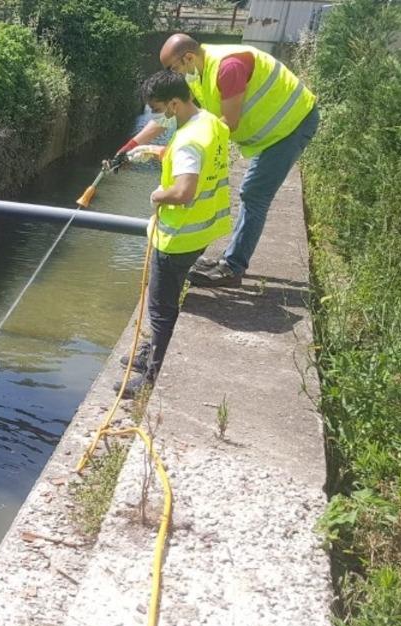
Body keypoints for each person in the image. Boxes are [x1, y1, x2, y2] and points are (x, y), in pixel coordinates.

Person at [110, 34, 319, 287]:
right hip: (271, 131)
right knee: (248, 193)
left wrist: (179, 151)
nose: (173, 74)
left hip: (291, 126)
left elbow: (227, 124)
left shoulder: (227, 68)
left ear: (187, 57)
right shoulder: (197, 73)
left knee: (254, 195)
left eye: (173, 68)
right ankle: (225, 261)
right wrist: (129, 147)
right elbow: (167, 114)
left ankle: (232, 267)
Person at [115, 70, 232, 399]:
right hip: (203, 229)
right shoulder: (209, 121)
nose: (157, 115)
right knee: (164, 303)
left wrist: (156, 195)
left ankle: (151, 376)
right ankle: (150, 352)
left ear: (177, 102)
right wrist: (152, 151)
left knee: (161, 309)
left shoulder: (187, 141)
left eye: (160, 108)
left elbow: (183, 191)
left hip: (177, 237)